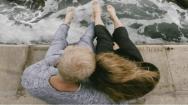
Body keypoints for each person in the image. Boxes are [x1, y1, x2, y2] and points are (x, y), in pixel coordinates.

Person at [21, 5, 118, 104]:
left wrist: (58, 57)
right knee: (86, 39)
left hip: (52, 63)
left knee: (57, 42)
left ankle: (67, 21)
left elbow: (43, 63)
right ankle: (94, 21)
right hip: (62, 65)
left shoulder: (31, 80)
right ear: (89, 75)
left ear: (59, 63)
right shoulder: (93, 98)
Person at [90, 1, 160, 103]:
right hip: (133, 63)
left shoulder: (101, 79)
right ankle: (114, 17)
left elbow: (94, 78)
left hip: (105, 69)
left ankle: (97, 16)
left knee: (104, 40)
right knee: (123, 38)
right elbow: (149, 78)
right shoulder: (143, 83)